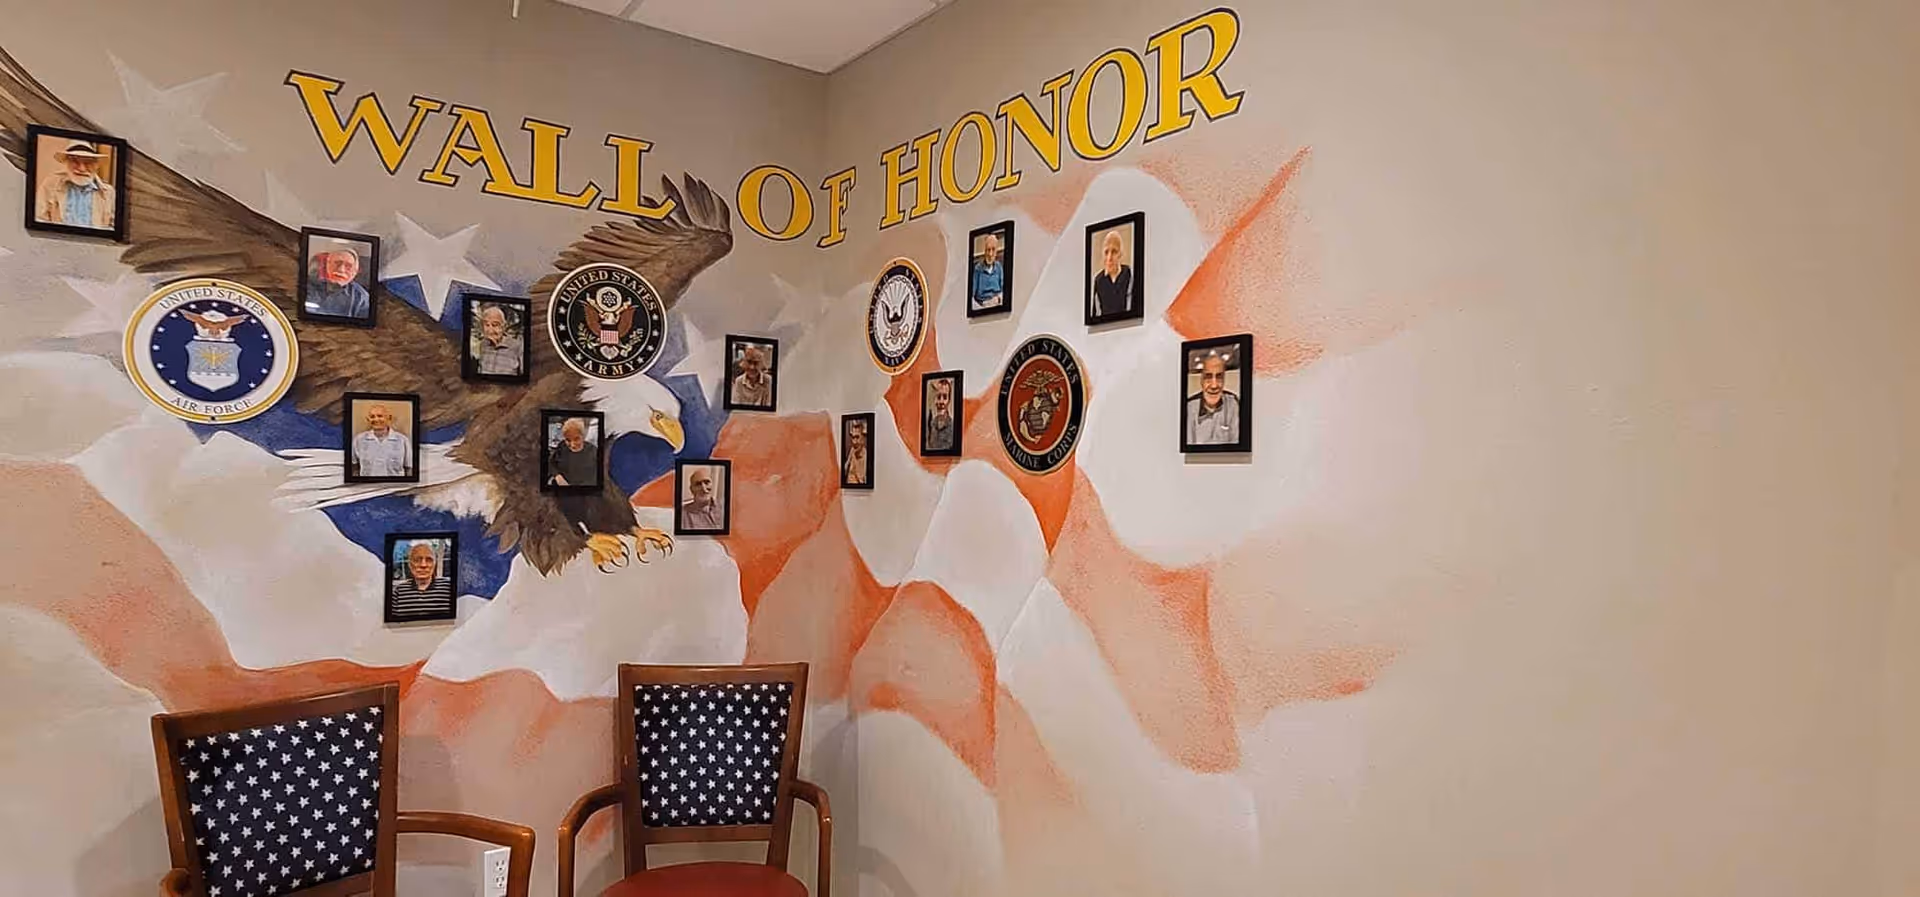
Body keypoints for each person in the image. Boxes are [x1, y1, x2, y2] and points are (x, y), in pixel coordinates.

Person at [34, 140, 115, 229]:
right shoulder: (50, 185)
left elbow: (113, 227)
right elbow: (39, 218)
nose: (82, 168)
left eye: (88, 163)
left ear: (96, 165)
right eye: (75, 161)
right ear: (66, 163)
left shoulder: (108, 193)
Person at [1185, 352, 1241, 445]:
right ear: (1201, 380)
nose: (1214, 385)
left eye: (1219, 377)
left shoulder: (1233, 403)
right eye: (1208, 377)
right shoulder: (1190, 406)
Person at [390, 541, 454, 616]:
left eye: (429, 560)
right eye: (417, 560)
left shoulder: (449, 588)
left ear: (434, 564)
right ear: (410, 565)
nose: (423, 565)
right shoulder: (398, 592)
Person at [305, 248, 371, 319]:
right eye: (337, 263)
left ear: (355, 272)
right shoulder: (307, 284)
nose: (341, 270)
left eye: (348, 266)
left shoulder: (362, 298)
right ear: (327, 264)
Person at [351, 403, 413, 477]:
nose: (376, 419)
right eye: (372, 417)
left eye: (380, 416)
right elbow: (354, 467)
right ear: (368, 419)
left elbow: (409, 469)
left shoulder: (403, 440)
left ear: (389, 418)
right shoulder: (359, 440)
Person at [1090, 228, 1134, 318]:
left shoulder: (1129, 274)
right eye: (1106, 252)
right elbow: (1095, 314)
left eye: (1114, 252)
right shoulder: (1098, 280)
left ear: (1120, 254)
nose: (1109, 258)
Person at [547, 418, 599, 487]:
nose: (572, 445)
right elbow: (551, 463)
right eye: (568, 440)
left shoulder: (594, 452)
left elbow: (595, 480)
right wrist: (558, 476)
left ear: (583, 436)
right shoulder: (562, 446)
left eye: (576, 439)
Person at [474, 304, 523, 376]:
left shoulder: (517, 346)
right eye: (487, 325)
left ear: (504, 326)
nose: (490, 330)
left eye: (495, 325)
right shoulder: (483, 344)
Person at [970, 233, 1005, 311]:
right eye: (988, 250)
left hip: (997, 304)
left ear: (996, 252)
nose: (990, 254)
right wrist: (982, 308)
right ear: (984, 251)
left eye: (993, 250)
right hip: (983, 306)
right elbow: (971, 298)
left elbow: (1004, 290)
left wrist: (998, 299)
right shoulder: (977, 269)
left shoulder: (999, 267)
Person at [924, 378, 957, 452]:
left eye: (945, 397)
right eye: (938, 397)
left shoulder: (952, 426)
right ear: (935, 399)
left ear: (948, 400)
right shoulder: (930, 424)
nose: (941, 401)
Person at [843, 420, 869, 485]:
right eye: (853, 437)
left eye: (857, 437)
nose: (854, 442)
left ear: (863, 439)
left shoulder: (866, 457)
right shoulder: (852, 450)